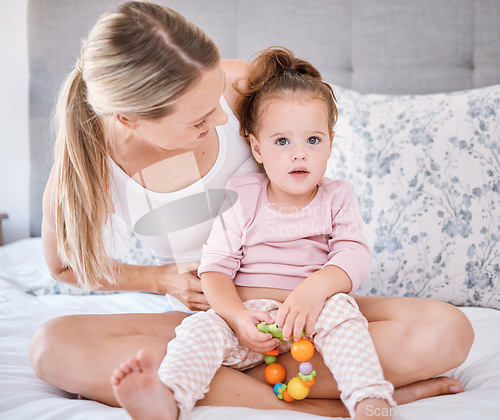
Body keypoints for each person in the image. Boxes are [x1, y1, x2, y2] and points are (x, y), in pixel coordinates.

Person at [29, 1, 474, 418]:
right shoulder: (86, 168)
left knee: (448, 330)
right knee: (54, 346)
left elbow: (306, 124)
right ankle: (316, 405)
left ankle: (215, 389)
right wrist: (160, 278)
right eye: (199, 121)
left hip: (315, 307)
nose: (224, 120)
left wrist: (317, 290)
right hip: (217, 317)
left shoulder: (238, 87)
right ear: (130, 119)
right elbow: (65, 266)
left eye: (215, 98)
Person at [111, 46, 397, 420]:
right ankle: (169, 398)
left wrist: (314, 291)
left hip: (313, 312)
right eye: (282, 141)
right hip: (250, 319)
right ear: (257, 148)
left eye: (313, 140)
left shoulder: (336, 196)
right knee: (199, 331)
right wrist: (236, 319)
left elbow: (353, 254)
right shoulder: (242, 195)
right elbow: (214, 269)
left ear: (330, 143)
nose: (299, 154)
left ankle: (368, 400)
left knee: (345, 315)